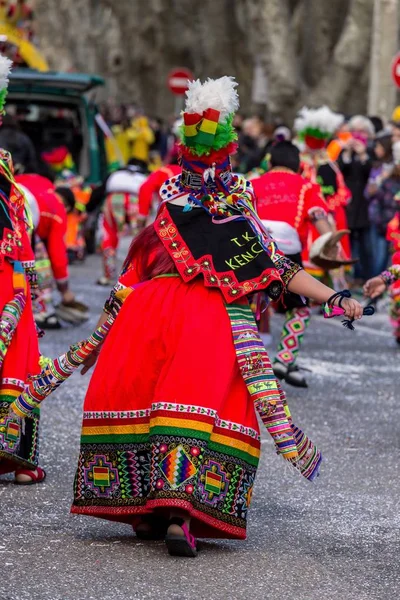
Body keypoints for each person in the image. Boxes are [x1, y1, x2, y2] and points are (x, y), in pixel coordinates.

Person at [70, 77, 363, 557]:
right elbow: (278, 268)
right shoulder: (236, 216)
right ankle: (182, 513)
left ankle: (148, 509)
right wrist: (335, 297)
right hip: (207, 318)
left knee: (148, 404)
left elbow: (128, 278)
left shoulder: (165, 213)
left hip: (147, 314)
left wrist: (98, 342)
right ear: (228, 156)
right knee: (197, 406)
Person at [252, 141, 333, 387]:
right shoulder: (307, 186)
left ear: (270, 162)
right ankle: (285, 358)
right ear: (298, 164)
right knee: (299, 307)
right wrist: (332, 243)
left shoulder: (252, 183)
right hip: (287, 253)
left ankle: (245, 362)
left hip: (251, 249)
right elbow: (318, 216)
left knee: (245, 304)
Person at [0, 55, 44, 484]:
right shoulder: (9, 174)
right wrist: (32, 286)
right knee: (19, 353)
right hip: (7, 273)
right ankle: (17, 460)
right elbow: (20, 239)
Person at [16, 173, 88, 326]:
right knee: (40, 263)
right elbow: (57, 255)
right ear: (67, 206)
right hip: (20, 221)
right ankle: (41, 311)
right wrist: (64, 290)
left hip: (7, 199)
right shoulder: (58, 210)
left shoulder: (40, 180)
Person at [294, 106, 352, 284]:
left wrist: (331, 205)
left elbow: (343, 190)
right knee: (312, 251)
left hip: (332, 214)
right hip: (309, 216)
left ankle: (335, 291)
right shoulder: (302, 164)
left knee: (333, 248)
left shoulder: (330, 164)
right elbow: (300, 188)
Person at [97, 159, 148, 286]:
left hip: (113, 199)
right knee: (138, 237)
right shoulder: (143, 175)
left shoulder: (115, 174)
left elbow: (100, 190)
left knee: (110, 234)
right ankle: (136, 274)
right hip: (135, 199)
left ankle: (108, 275)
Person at [338, 115, 374, 284]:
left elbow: (370, 172)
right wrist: (347, 152)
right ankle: (349, 277)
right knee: (348, 244)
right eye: (355, 131)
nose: (358, 135)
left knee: (367, 247)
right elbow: (340, 171)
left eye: (362, 131)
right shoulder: (345, 151)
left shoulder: (372, 150)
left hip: (366, 206)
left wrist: (363, 155)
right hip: (349, 205)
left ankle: (368, 277)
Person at [365, 132, 393, 276]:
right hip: (375, 216)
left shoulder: (394, 171)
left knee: (386, 256)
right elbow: (368, 192)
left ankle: (383, 286)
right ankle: (374, 285)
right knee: (376, 253)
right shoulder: (376, 167)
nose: (376, 149)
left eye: (379, 146)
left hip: (390, 218)